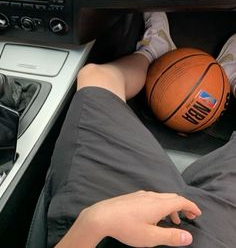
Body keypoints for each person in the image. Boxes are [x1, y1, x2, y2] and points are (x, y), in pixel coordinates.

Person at [45, 13, 236, 248]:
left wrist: (93, 224)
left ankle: (153, 51)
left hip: (104, 234)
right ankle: (228, 82)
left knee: (97, 78)